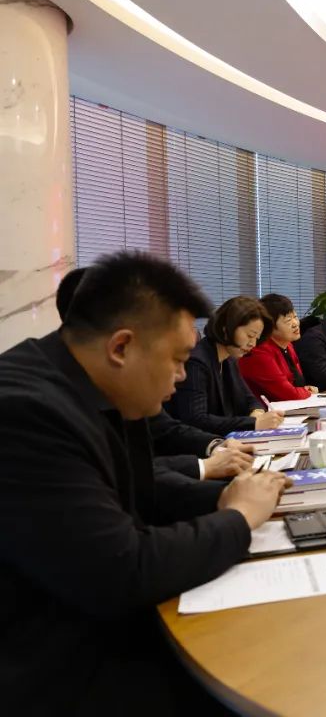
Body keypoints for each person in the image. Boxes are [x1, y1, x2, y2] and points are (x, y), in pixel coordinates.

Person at [0, 252, 289, 713]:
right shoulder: (25, 411)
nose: (182, 376)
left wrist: (244, 496)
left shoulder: (99, 386)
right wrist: (238, 517)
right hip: (62, 669)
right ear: (121, 347)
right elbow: (122, 571)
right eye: (177, 360)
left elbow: (144, 489)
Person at [56, 267, 254, 480]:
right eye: (175, 358)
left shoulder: (115, 373)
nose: (181, 374)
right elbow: (121, 473)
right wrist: (206, 469)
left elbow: (165, 428)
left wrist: (216, 445)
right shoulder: (48, 401)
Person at [165, 297, 284, 435]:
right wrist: (253, 423)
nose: (253, 344)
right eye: (250, 335)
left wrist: (257, 413)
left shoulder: (229, 360)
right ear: (226, 329)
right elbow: (196, 419)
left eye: (256, 338)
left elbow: (250, 399)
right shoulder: (196, 362)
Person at [239, 293, 319, 402]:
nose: (295, 324)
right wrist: (305, 392)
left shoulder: (288, 345)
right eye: (288, 320)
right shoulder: (259, 352)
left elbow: (296, 385)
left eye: (295, 317)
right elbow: (288, 394)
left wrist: (303, 390)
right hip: (265, 410)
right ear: (269, 326)